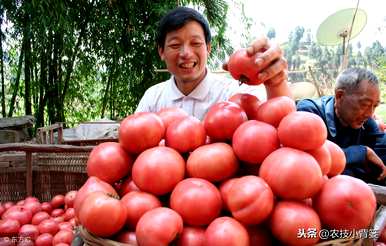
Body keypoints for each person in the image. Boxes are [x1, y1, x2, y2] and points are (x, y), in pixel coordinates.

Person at [135, 6, 291, 120]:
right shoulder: (153, 99)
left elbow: (285, 123)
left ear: (208, 48)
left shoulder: (233, 95)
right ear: (161, 51)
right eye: (175, 45)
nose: (186, 54)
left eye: (195, 43)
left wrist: (275, 83)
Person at [297, 67, 386, 185]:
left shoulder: (366, 121)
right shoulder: (309, 113)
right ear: (339, 96)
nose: (370, 114)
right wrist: (361, 153)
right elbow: (310, 159)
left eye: (374, 106)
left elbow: (380, 152)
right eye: (365, 104)